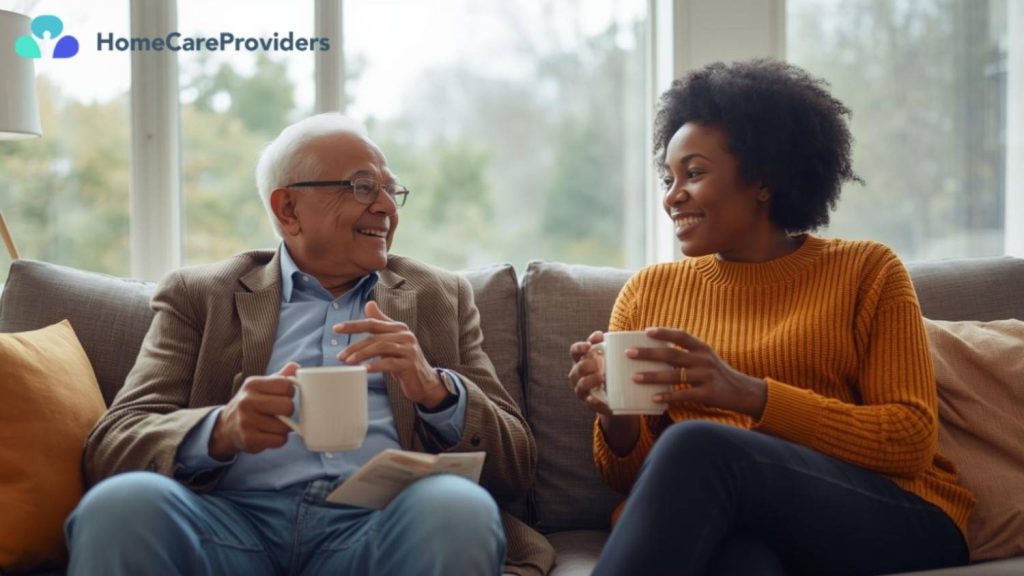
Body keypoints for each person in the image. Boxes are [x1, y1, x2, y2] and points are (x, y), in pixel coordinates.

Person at [66, 113, 554, 576]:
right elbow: (113, 444)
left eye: (390, 191)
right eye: (363, 187)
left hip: (381, 525)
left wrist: (436, 390)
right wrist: (220, 430)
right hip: (229, 524)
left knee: (457, 507)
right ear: (288, 209)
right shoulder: (202, 294)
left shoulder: (437, 296)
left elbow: (517, 464)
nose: (385, 207)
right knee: (120, 506)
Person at [568, 59, 974, 576]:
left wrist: (747, 393)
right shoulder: (648, 293)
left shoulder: (867, 270)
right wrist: (615, 415)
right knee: (742, 563)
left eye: (693, 173)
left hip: (896, 512)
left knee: (697, 444)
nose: (672, 197)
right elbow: (637, 481)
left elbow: (909, 438)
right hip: (748, 521)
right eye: (668, 178)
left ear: (762, 179)